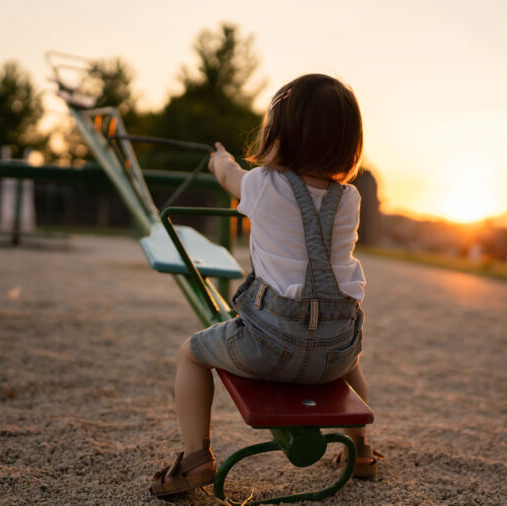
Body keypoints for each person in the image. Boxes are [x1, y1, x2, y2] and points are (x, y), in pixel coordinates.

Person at [150, 74, 378, 501]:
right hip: (334, 353)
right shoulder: (350, 200)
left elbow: (229, 175)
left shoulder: (262, 185)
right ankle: (362, 450)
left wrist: (219, 160)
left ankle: (196, 455)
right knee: (353, 363)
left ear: (280, 135)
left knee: (191, 354)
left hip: (270, 347)